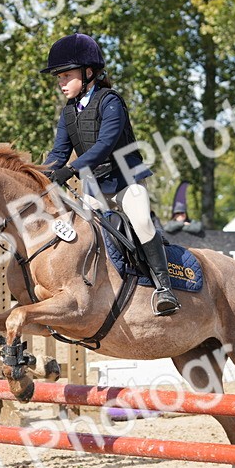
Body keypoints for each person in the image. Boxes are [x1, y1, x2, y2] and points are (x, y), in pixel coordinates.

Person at [41, 33, 179, 316]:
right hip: (94, 188)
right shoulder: (69, 112)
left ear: (88, 72)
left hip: (126, 180)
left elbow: (105, 146)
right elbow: (58, 152)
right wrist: (41, 175)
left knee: (141, 222)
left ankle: (164, 289)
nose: (61, 83)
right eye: (59, 77)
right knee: (77, 234)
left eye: (66, 75)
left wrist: (71, 169)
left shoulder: (110, 101)